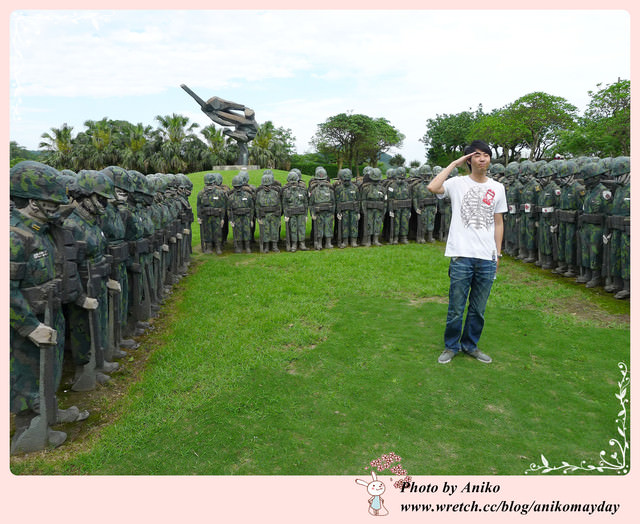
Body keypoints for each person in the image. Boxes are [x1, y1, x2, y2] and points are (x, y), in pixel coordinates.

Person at [427, 140, 507, 364]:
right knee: (456, 307)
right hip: (461, 255)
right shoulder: (457, 183)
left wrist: (497, 253)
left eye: (486, 155)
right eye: (477, 155)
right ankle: (451, 346)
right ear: (469, 159)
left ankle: (470, 345)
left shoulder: (497, 188)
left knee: (478, 309)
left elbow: (498, 222)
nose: (483, 159)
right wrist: (454, 163)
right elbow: (433, 188)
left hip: (487, 257)